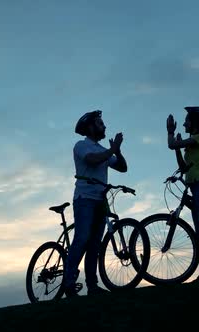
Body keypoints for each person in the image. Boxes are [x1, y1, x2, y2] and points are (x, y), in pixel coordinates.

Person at [63, 110, 128, 297]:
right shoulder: (81, 145)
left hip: (100, 200)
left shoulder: (103, 150)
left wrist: (118, 152)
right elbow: (92, 161)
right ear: (90, 127)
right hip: (84, 199)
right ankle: (68, 283)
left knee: (95, 245)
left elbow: (122, 168)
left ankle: (92, 286)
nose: (104, 126)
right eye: (100, 123)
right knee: (82, 238)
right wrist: (112, 150)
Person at [166, 106, 199, 282]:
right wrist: (177, 149)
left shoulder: (198, 138)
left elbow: (170, 143)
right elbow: (183, 168)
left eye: (187, 121)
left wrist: (170, 132)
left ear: (195, 123)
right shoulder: (193, 143)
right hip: (196, 188)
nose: (184, 123)